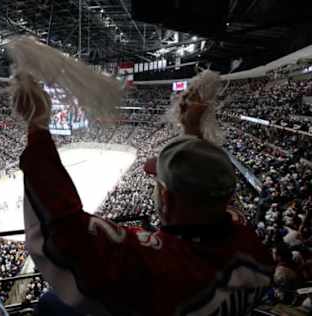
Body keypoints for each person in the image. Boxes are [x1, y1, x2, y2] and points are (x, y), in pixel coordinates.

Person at [14, 73, 274, 316]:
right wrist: (192, 132)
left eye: (158, 183)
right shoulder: (250, 244)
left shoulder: (159, 266)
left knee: (49, 304)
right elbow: (208, 186)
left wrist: (37, 124)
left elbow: (66, 233)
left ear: (167, 198)